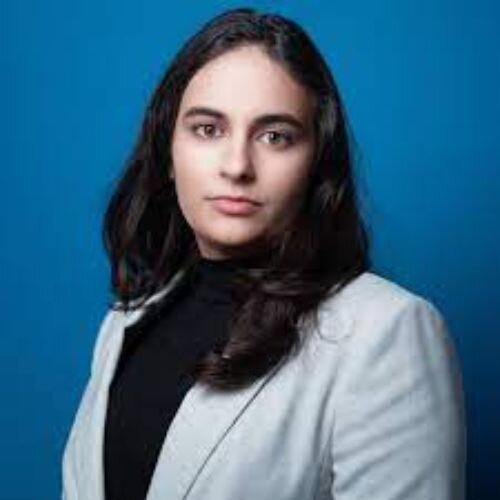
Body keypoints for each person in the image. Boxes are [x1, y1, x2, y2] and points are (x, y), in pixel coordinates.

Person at [61, 7, 465, 500]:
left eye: (275, 136)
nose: (237, 166)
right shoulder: (126, 323)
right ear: (168, 151)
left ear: (316, 162)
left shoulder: (386, 334)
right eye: (208, 129)